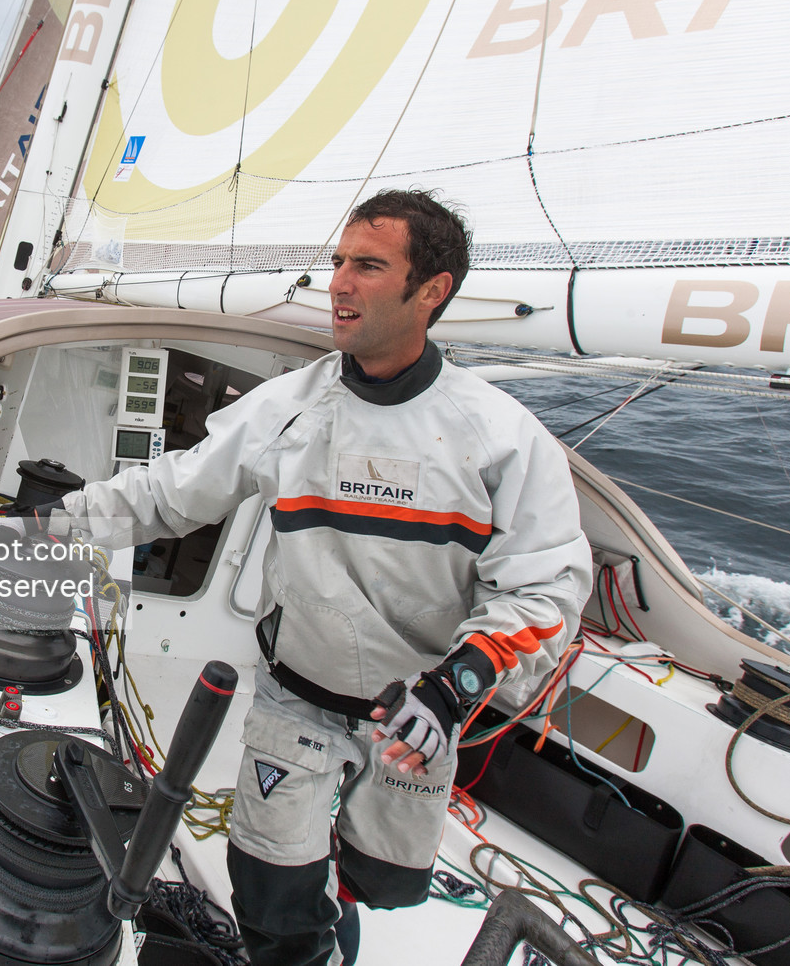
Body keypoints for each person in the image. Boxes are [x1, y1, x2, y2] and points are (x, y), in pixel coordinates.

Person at [55, 190, 591, 965]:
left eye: (368, 266)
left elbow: (545, 593)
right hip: (296, 697)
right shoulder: (289, 408)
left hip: (418, 722)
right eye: (338, 262)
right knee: (271, 892)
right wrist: (56, 525)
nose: (337, 281)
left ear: (431, 290)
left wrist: (455, 687)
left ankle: (337, 916)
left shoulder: (505, 439)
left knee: (377, 880)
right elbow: (172, 493)